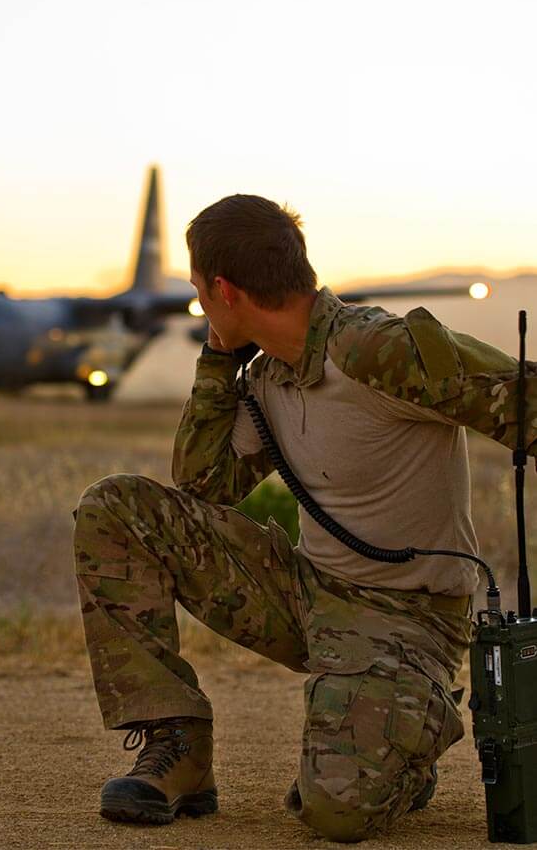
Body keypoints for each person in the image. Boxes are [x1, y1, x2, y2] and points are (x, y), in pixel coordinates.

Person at [73, 195, 536, 841]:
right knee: (117, 507)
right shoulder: (268, 374)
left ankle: (406, 740)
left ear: (224, 289)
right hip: (303, 592)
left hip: (406, 616)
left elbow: (527, 404)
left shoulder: (378, 349)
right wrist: (218, 359)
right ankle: (178, 748)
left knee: (335, 813)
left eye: (200, 293)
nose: (201, 304)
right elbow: (205, 485)